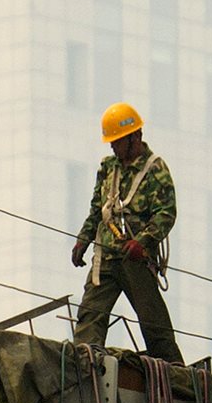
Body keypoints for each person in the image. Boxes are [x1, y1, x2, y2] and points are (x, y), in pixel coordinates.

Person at [71, 102, 183, 364]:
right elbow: (97, 210)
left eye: (117, 141)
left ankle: (174, 370)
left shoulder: (155, 169)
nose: (112, 146)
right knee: (90, 313)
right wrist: (83, 240)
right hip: (107, 255)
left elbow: (166, 213)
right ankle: (84, 363)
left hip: (135, 258)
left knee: (153, 322)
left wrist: (143, 243)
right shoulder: (109, 168)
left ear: (135, 137)